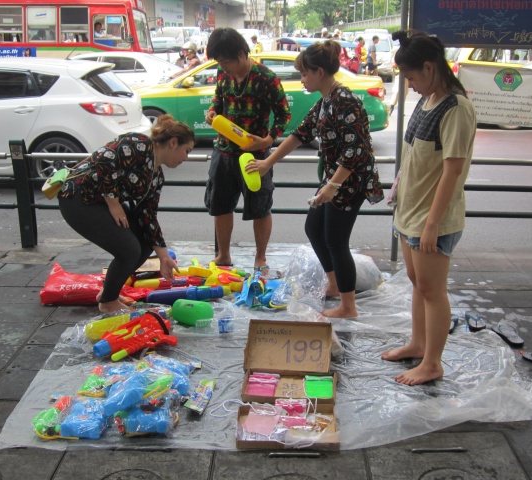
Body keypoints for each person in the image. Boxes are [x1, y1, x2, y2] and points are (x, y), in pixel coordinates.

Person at [245, 40, 383, 318]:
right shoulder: (325, 101)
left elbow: (356, 150)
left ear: (319, 71)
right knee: (314, 228)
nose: (302, 80)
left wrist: (332, 186)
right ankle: (333, 284)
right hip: (335, 178)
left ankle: (348, 306)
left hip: (349, 180)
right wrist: (267, 162)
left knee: (335, 240)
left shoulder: (345, 100)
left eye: (304, 74)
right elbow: (299, 134)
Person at [380, 31, 477, 385]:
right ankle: (418, 344)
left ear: (428, 67)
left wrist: (433, 224)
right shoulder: (428, 99)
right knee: (417, 283)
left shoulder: (456, 107)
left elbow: (452, 170)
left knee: (432, 290)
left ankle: (433, 362)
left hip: (432, 217)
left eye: (410, 77)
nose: (409, 84)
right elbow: (415, 158)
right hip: (410, 211)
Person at [58, 115, 195, 314]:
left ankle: (109, 291)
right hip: (79, 199)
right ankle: (108, 302)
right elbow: (103, 158)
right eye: (187, 151)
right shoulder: (139, 144)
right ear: (173, 143)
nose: (186, 158)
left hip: (99, 202)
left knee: (145, 242)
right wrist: (113, 202)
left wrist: (163, 256)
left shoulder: (156, 176)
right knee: (129, 249)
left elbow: (148, 215)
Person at [204, 28, 291, 270]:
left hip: (255, 154)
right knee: (220, 205)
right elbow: (218, 101)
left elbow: (284, 115)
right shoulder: (223, 76)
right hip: (223, 151)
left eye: (225, 61)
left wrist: (267, 140)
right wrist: (212, 113)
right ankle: (223, 255)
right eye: (219, 62)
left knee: (260, 207)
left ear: (241, 54)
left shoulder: (266, 77)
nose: (223, 67)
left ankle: (260, 257)